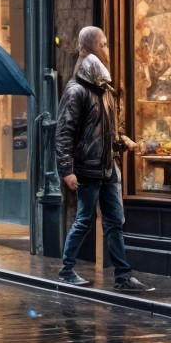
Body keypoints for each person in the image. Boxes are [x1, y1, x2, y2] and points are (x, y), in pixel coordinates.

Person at [57, 26, 148, 292]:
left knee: (115, 222)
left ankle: (122, 275)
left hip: (108, 168)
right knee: (85, 219)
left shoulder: (105, 90)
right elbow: (63, 133)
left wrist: (125, 142)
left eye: (107, 44)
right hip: (87, 169)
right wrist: (67, 170)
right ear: (88, 49)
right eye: (103, 45)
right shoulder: (76, 91)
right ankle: (66, 270)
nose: (107, 50)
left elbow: (109, 133)